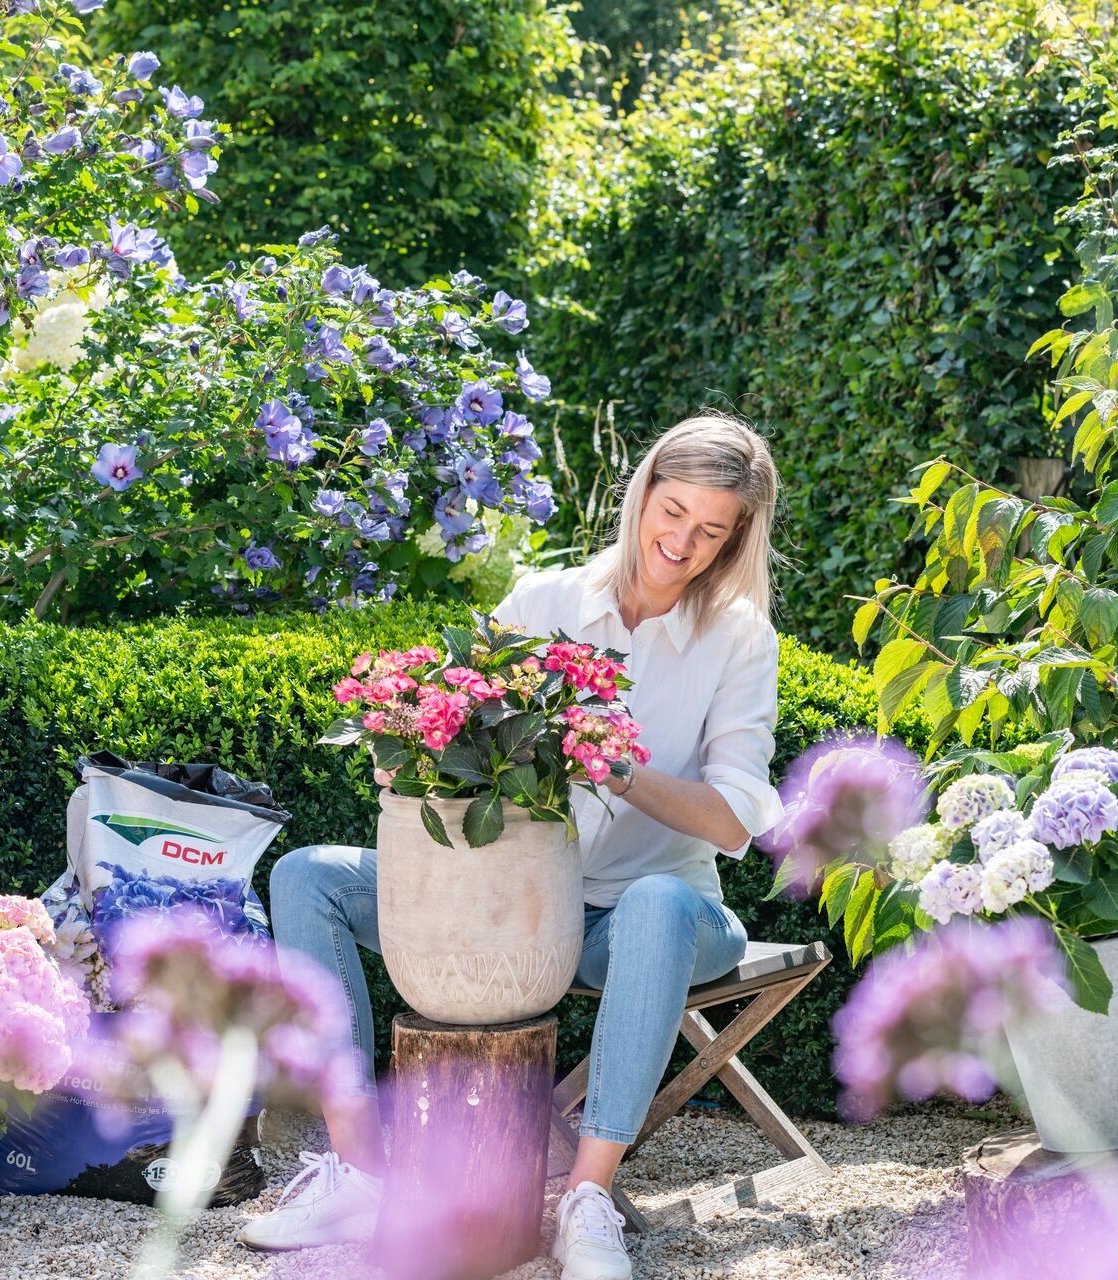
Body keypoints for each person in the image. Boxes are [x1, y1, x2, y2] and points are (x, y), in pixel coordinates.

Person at [242, 414, 786, 1280]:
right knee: (308, 876)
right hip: (514, 912)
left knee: (655, 900)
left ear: (735, 540)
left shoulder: (741, 640)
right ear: (642, 492)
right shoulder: (544, 602)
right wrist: (411, 756)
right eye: (671, 510)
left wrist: (615, 765)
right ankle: (359, 1174)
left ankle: (587, 1199)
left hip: (655, 921)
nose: (680, 542)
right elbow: (458, 717)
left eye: (710, 530)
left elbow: (734, 821)